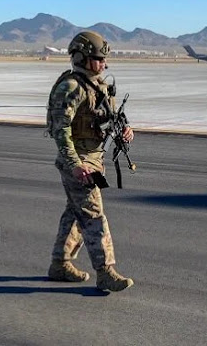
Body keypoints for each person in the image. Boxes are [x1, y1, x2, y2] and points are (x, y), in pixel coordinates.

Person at [45, 31, 134, 292]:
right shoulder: (70, 87)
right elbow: (60, 130)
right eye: (98, 59)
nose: (104, 64)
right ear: (82, 58)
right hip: (79, 163)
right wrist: (74, 164)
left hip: (94, 159)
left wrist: (125, 131)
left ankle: (59, 264)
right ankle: (105, 271)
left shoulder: (100, 86)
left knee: (75, 214)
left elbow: (109, 119)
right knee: (94, 216)